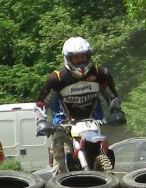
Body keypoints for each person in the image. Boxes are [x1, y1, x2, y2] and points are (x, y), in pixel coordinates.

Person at [34, 36, 122, 173]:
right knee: (60, 160)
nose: (80, 62)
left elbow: (112, 96)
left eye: (83, 57)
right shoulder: (57, 78)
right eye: (76, 58)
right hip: (63, 124)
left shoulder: (100, 74)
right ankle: (60, 184)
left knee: (104, 148)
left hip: (93, 122)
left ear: (89, 56)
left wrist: (116, 111)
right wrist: (41, 122)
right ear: (67, 59)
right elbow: (41, 103)